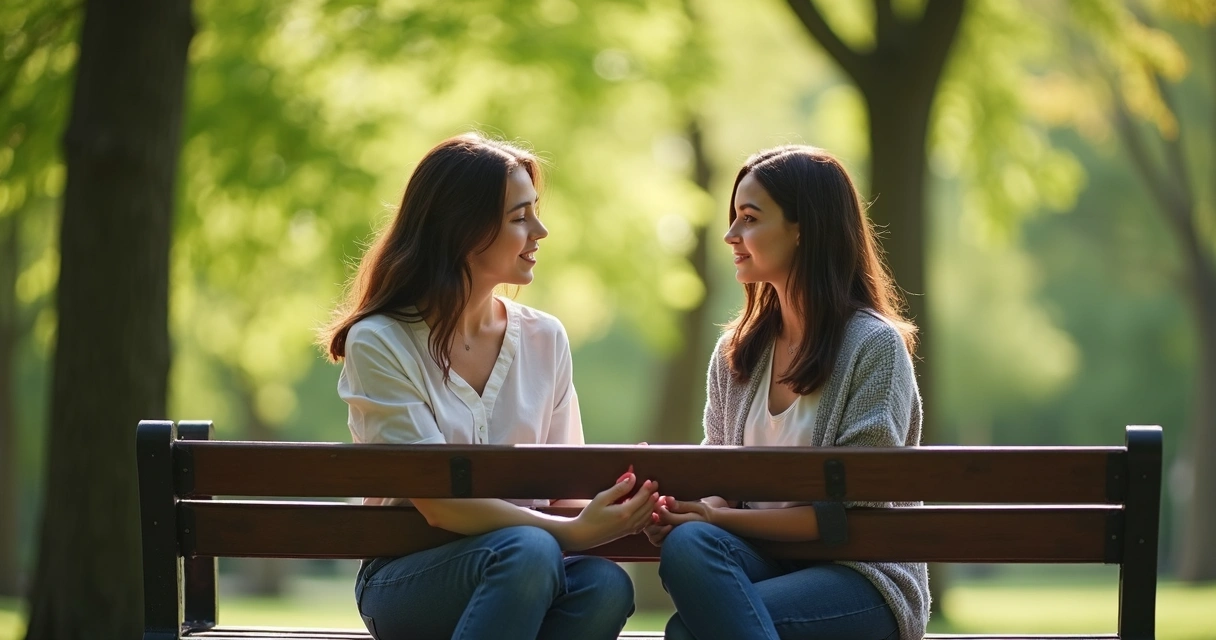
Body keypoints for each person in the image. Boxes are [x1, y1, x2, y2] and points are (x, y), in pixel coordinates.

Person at [321, 133, 658, 640]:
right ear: (463, 230)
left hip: (531, 565)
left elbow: (563, 479)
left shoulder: (546, 337)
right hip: (409, 577)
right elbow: (437, 501)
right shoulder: (381, 341)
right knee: (531, 551)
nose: (540, 231)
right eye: (520, 217)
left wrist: (617, 501)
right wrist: (568, 533)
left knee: (604, 585)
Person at [645, 145, 930, 640]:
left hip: (861, 577)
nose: (731, 235)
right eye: (733, 218)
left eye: (749, 219)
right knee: (689, 544)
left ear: (803, 229)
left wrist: (717, 516)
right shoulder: (737, 352)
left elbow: (847, 517)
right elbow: (721, 478)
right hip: (764, 564)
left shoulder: (873, 347)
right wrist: (687, 512)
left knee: (687, 634)